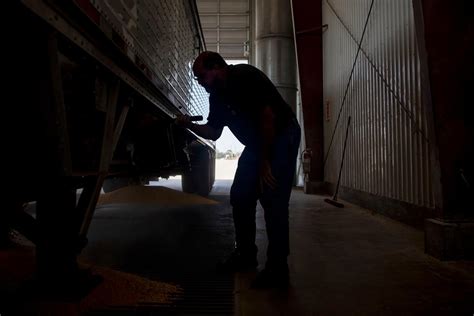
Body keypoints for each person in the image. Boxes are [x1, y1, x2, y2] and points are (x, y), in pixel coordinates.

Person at [176, 51, 300, 288]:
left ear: (216, 68)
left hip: (281, 134)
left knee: (272, 198)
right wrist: (189, 125)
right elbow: (213, 132)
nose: (200, 82)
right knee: (241, 195)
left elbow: (268, 118)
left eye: (201, 76)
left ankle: (278, 268)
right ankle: (245, 254)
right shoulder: (217, 97)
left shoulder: (245, 77)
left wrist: (265, 162)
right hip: (257, 142)